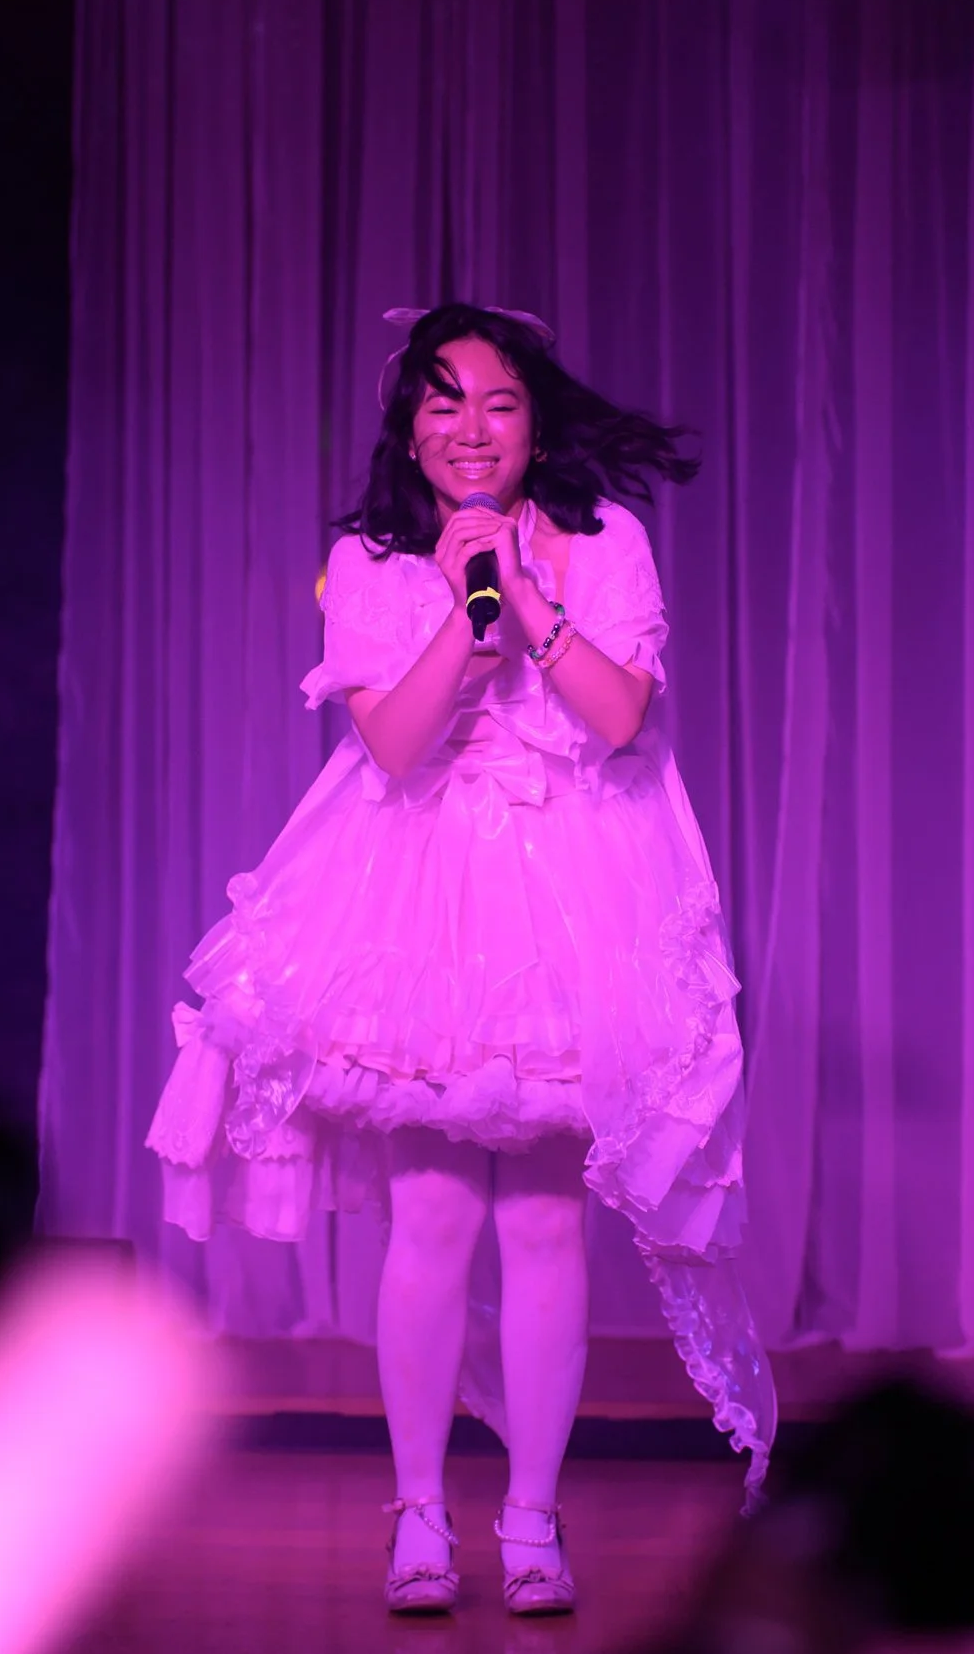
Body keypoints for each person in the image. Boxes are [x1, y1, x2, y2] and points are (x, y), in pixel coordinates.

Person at [145, 304, 773, 1618]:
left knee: (547, 1224)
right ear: (409, 428)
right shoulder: (373, 561)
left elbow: (615, 722)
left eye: (494, 403)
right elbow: (395, 747)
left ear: (533, 418)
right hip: (422, 904)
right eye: (442, 405)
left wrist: (530, 594)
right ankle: (418, 1518)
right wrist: (460, 601)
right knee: (431, 1218)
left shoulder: (607, 543)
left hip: (570, 903)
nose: (469, 429)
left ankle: (535, 1522)